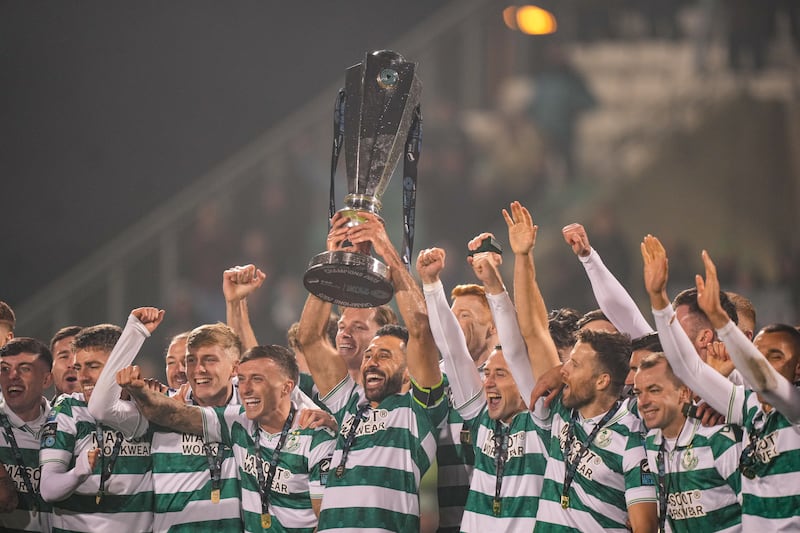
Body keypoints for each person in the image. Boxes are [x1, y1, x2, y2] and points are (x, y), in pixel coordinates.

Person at [500, 201, 657, 532]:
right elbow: (533, 330)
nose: (563, 369)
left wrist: (591, 259)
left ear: (602, 380)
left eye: (574, 363)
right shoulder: (560, 408)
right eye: (566, 362)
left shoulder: (634, 429)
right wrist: (523, 257)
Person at [297, 211, 447, 532]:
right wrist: (335, 264)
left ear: (409, 371)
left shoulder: (419, 408)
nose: (372, 361)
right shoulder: (351, 404)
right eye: (369, 355)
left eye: (385, 355)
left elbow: (420, 329)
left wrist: (384, 246)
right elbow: (308, 338)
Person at [642, 235, 800, 529]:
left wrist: (719, 318)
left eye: (775, 356)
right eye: (758, 354)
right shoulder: (750, 409)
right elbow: (688, 368)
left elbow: (766, 382)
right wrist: (659, 300)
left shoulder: (795, 412)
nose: (762, 361)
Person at [115, 344, 336, 533]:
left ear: (287, 387)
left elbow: (327, 523)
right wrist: (140, 392)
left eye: (257, 379)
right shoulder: (237, 422)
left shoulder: (316, 437)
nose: (246, 389)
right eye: (242, 379)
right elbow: (173, 414)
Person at [88, 310, 244, 532]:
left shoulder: (247, 413)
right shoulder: (157, 406)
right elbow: (100, 409)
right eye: (192, 360)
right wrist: (134, 332)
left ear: (235, 369)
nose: (198, 369)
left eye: (209, 360)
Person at [39, 319, 157, 532]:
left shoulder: (148, 406)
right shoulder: (69, 408)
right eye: (78, 367)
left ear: (122, 364)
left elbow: (103, 406)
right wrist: (77, 474)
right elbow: (48, 488)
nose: (81, 376)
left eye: (92, 366)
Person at [417, 245, 501, 531]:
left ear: (493, 327)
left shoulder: (509, 380)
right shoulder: (436, 378)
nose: (453, 323)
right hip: (450, 522)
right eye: (451, 316)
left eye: (464, 316)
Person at [633, 352, 742, 532]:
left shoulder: (718, 438)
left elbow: (758, 510)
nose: (643, 402)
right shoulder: (653, 443)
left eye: (654, 390)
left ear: (683, 393)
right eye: (638, 393)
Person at [0, 337, 53, 532]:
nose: (12, 375)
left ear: (46, 379)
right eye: (4, 369)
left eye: (24, 368)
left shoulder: (69, 424)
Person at [49, 326, 82, 400]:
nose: (72, 364)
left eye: (80, 356)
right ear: (50, 367)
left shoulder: (110, 411)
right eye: (64, 357)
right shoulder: (40, 411)